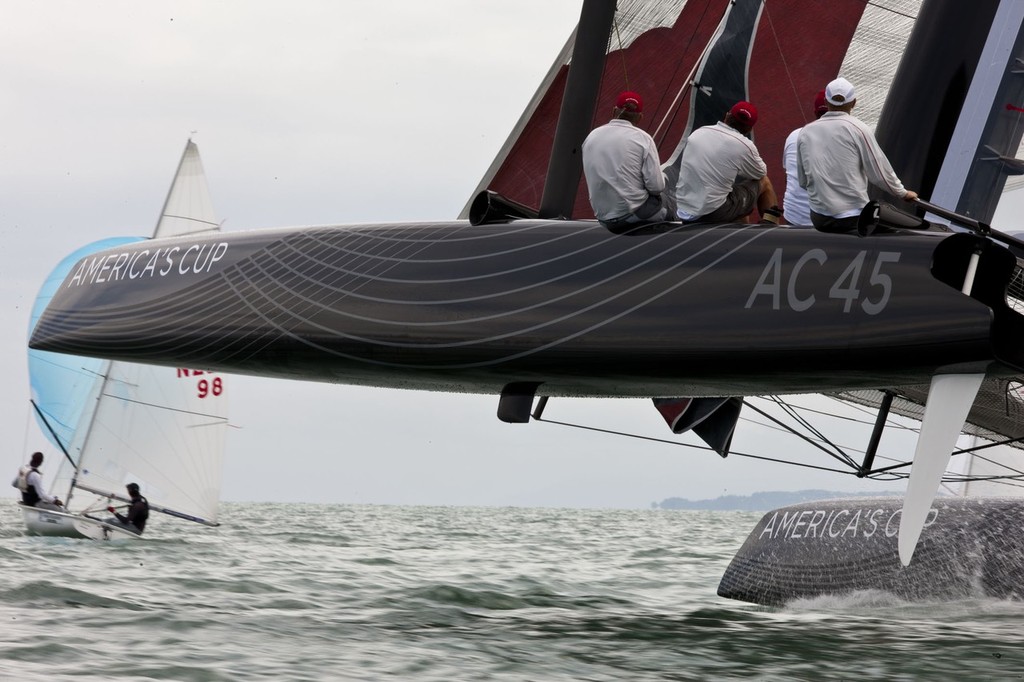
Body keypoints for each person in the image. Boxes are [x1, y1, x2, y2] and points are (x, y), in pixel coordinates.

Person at [796, 77, 918, 233]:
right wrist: (902, 193)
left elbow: (803, 181)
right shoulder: (858, 129)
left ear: (826, 102)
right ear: (854, 103)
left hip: (820, 218)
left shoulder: (805, 132)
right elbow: (879, 173)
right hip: (851, 218)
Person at [675, 101, 781, 224]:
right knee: (764, 182)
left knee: (734, 193)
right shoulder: (744, 145)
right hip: (710, 213)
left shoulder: (698, 132)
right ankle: (773, 228)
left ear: (726, 116)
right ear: (749, 129)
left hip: (683, 210)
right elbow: (760, 173)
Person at [582, 90, 668, 229]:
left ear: (614, 111)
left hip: (603, 218)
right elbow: (656, 188)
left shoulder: (590, 137)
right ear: (640, 117)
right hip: (632, 215)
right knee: (669, 200)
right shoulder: (643, 138)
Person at [782, 90, 828, 225]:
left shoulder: (793, 136)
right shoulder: (848, 138)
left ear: (815, 112)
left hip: (793, 217)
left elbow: (788, 177)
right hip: (827, 223)